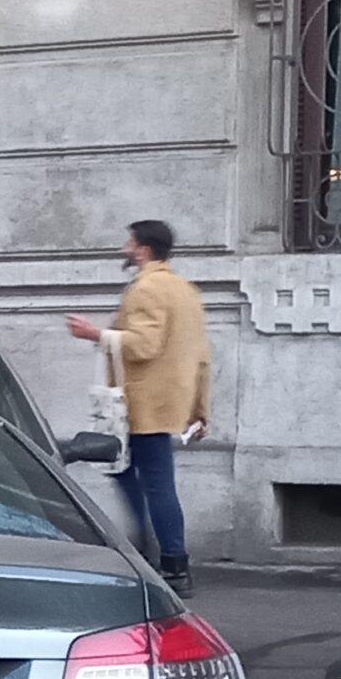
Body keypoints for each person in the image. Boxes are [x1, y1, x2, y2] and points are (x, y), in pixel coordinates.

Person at [66, 219, 210, 597]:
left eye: (129, 243)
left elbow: (144, 345)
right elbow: (201, 356)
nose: (124, 250)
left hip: (143, 406)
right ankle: (153, 552)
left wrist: (96, 334)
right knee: (127, 470)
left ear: (144, 249)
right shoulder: (186, 291)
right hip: (167, 403)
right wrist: (199, 409)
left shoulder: (146, 288)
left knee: (151, 481)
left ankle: (169, 562)